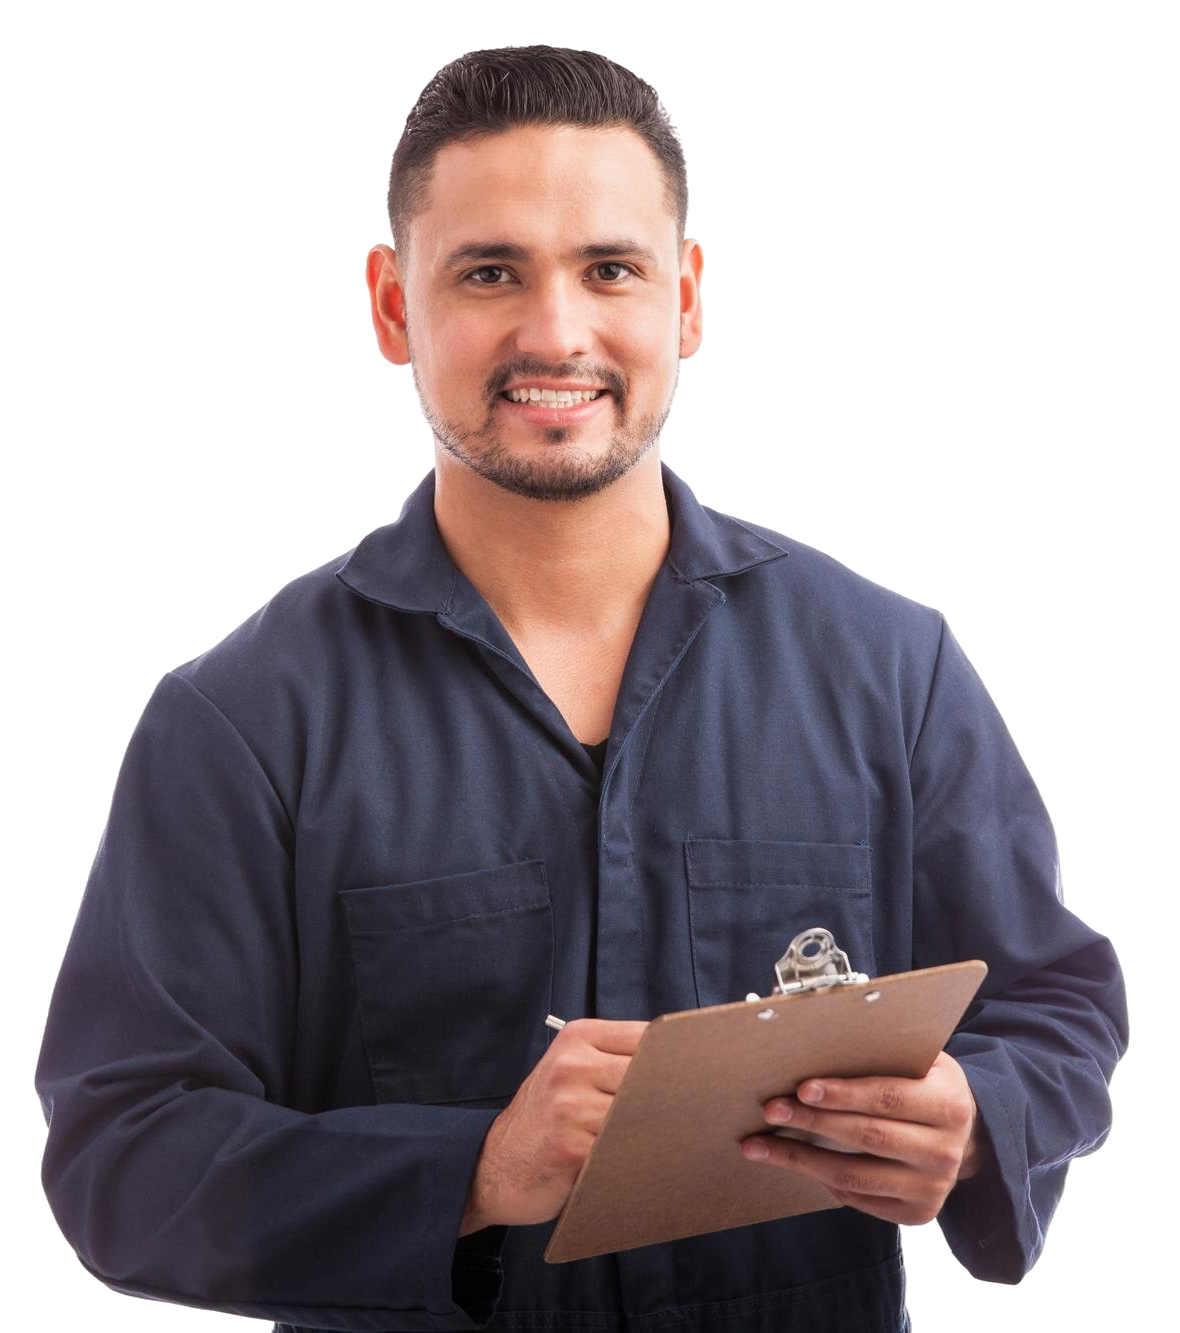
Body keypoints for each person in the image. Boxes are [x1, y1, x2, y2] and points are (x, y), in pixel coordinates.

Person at [35, 44, 1127, 1333]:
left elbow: (1056, 1008)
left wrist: (979, 1120)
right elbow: (122, 1161)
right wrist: (475, 1175)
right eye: (490, 272)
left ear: (686, 299)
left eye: (609, 268)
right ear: (394, 309)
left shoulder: (892, 666)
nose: (555, 334)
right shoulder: (242, 720)